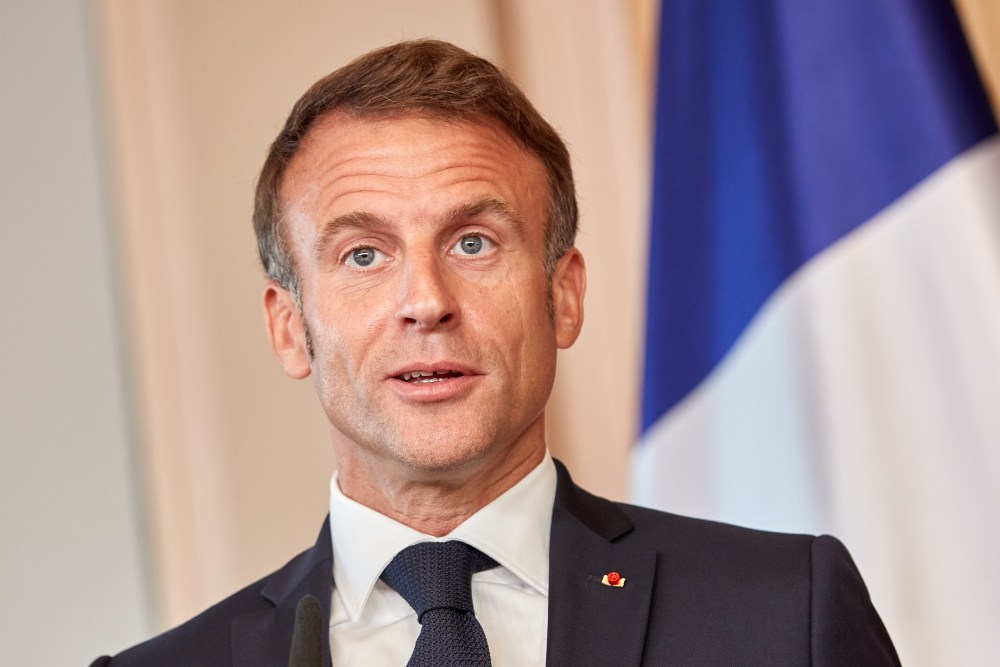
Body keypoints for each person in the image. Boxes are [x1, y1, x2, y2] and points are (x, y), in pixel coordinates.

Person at [91, 39, 899, 666]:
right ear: (288, 326)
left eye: (474, 242)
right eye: (364, 254)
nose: (427, 301)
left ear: (563, 294)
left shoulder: (786, 614)